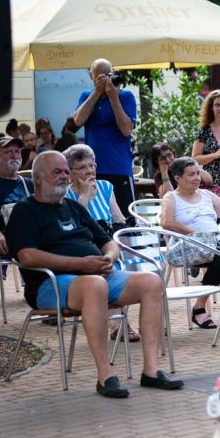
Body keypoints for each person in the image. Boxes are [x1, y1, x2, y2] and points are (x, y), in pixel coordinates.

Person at [6, 151, 183, 398]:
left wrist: (109, 258)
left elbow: (107, 241)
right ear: (37, 178)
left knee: (151, 282)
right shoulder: (25, 211)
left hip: (96, 275)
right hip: (50, 284)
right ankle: (105, 374)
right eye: (57, 172)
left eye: (66, 172)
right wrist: (82, 263)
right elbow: (27, 256)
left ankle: (151, 370)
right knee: (94, 286)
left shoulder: (72, 207)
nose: (64, 177)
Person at [64, 144, 139, 340]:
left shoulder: (106, 186)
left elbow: (118, 218)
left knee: (137, 264)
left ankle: (120, 320)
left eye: (91, 165)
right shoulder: (65, 194)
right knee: (111, 266)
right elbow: (73, 225)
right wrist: (85, 198)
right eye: (82, 168)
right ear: (70, 173)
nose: (89, 171)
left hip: (107, 240)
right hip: (83, 244)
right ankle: (118, 322)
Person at [161, 157, 220, 327]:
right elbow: (166, 223)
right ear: (177, 178)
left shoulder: (207, 195)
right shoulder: (171, 197)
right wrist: (198, 234)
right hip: (188, 244)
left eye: (198, 173)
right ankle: (199, 308)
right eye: (191, 174)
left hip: (215, 241)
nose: (197, 178)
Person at [72, 59, 137, 219]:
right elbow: (78, 121)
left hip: (118, 168)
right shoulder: (86, 96)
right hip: (92, 169)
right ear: (91, 77)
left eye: (107, 75)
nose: (104, 80)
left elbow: (126, 129)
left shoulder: (125, 96)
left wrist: (113, 97)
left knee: (125, 217)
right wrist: (97, 92)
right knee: (95, 216)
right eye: (99, 77)